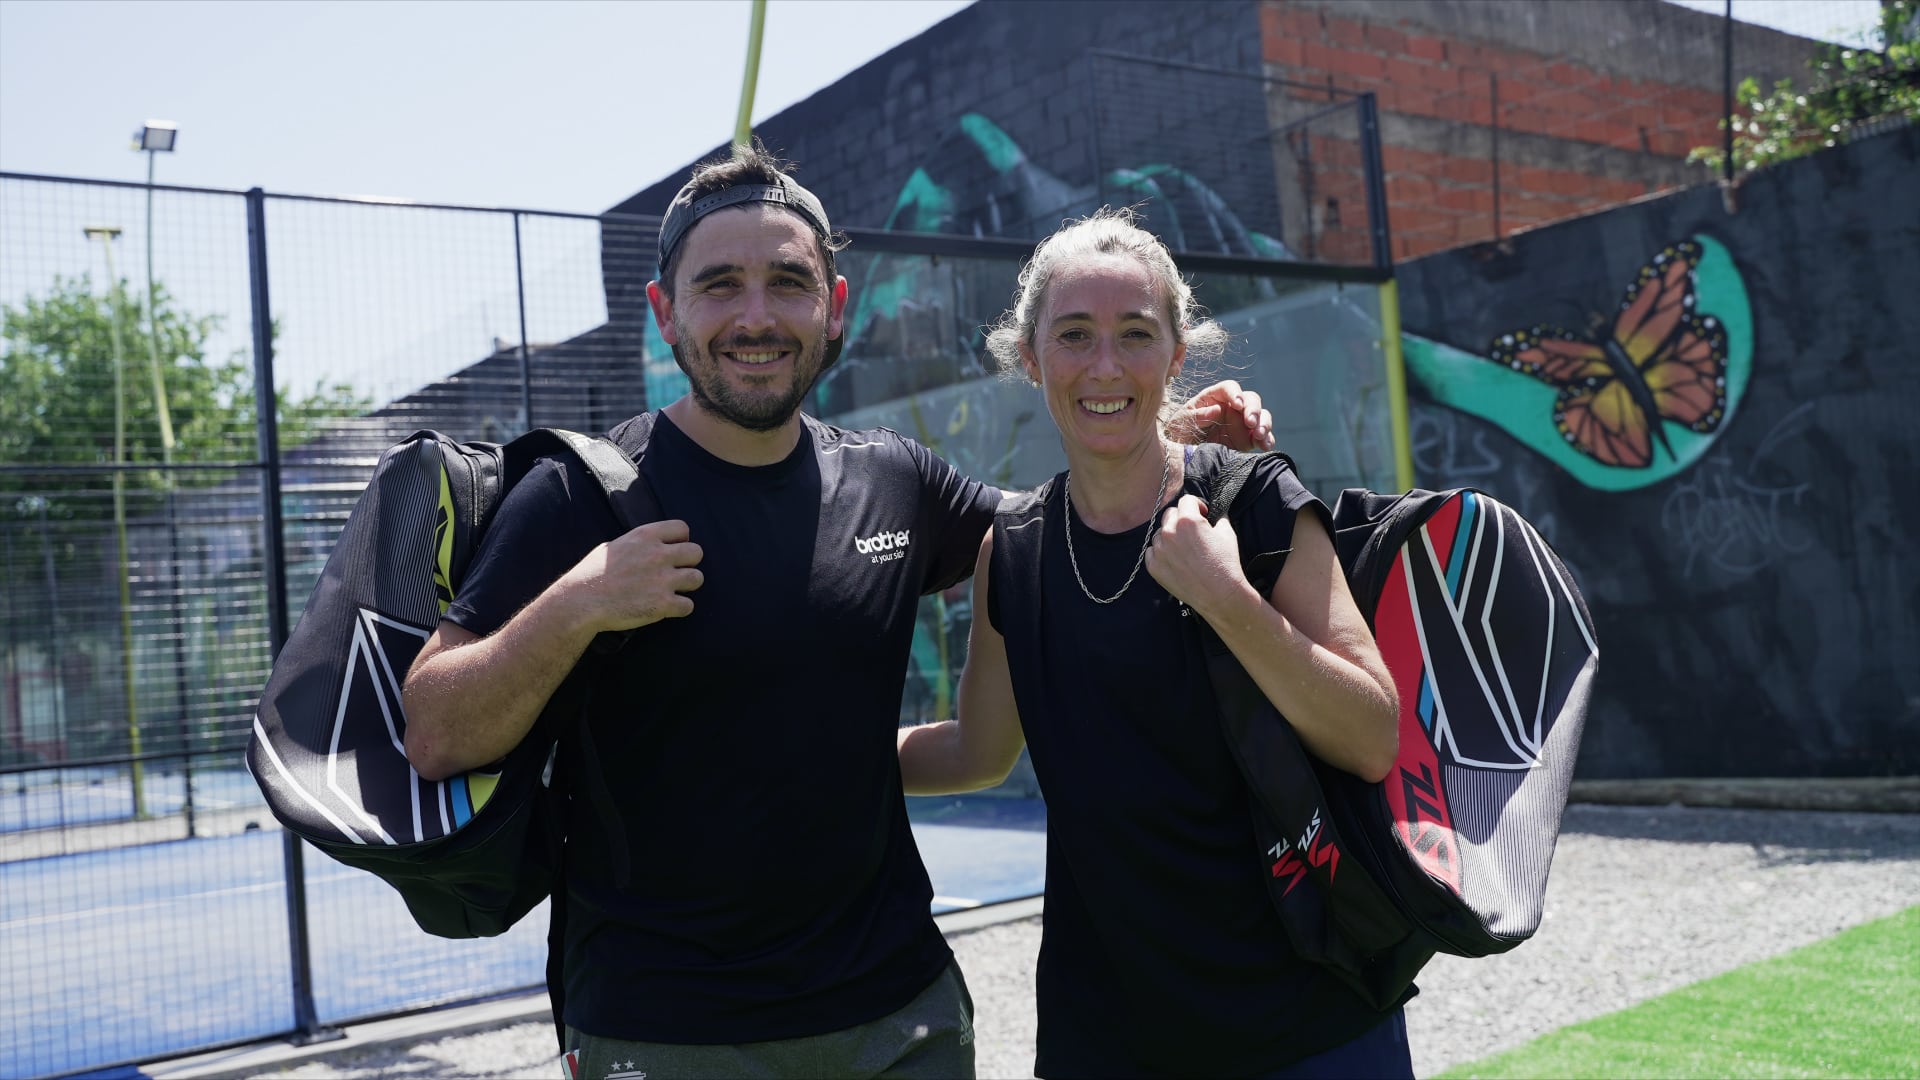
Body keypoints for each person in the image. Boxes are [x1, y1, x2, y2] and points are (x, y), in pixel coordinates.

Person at [399, 147, 1275, 1079]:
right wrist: (577, 604)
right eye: (720, 285)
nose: (756, 316)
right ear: (665, 314)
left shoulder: (892, 478)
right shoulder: (578, 498)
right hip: (665, 1029)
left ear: (836, 305)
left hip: (900, 1016)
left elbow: (1049, 524)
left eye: (788, 283)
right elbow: (436, 730)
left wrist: (1155, 430)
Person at [896, 208, 1411, 1078]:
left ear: (1176, 355)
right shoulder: (1010, 553)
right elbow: (978, 752)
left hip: (1308, 1019)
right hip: (1109, 1035)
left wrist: (1225, 596)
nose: (1106, 366)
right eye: (1074, 336)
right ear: (1031, 358)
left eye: (1136, 335)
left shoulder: (1250, 499)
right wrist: (819, 754)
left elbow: (1371, 736)